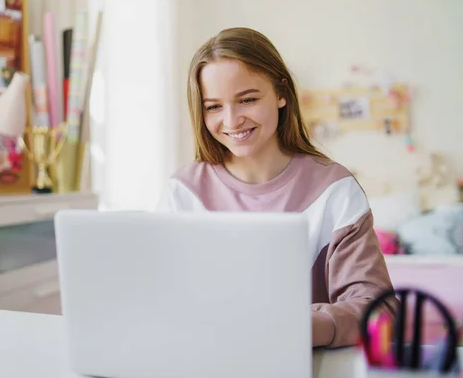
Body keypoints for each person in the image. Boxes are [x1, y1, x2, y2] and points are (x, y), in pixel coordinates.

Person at [156, 27, 397, 348]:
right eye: (214, 106)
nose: (231, 120)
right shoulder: (182, 192)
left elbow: (379, 310)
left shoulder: (335, 190)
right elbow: (161, 300)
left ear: (282, 93)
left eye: (248, 100)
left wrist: (308, 327)